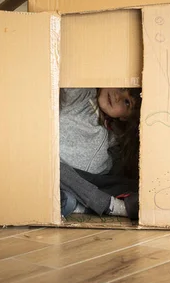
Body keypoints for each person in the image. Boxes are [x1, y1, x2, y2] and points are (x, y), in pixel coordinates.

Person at [59, 87, 142, 220]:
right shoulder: (83, 97)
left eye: (127, 102)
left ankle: (74, 204)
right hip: (52, 168)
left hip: (85, 182)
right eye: (122, 88)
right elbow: (75, 79)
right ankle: (112, 207)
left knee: (136, 186)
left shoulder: (117, 138)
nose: (117, 97)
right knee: (52, 169)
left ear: (125, 117)